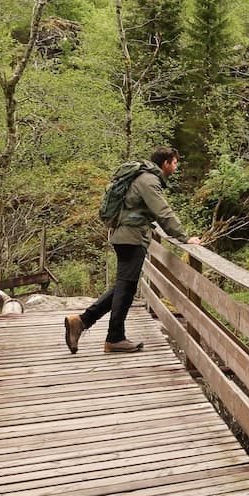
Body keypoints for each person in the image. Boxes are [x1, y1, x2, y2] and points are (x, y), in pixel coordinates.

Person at [64, 147, 201, 353]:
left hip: (126, 236)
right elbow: (163, 212)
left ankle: (82, 321)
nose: (176, 167)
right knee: (126, 289)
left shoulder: (142, 177)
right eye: (174, 163)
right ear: (165, 163)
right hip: (132, 238)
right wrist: (184, 237)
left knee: (123, 287)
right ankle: (114, 338)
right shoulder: (149, 180)